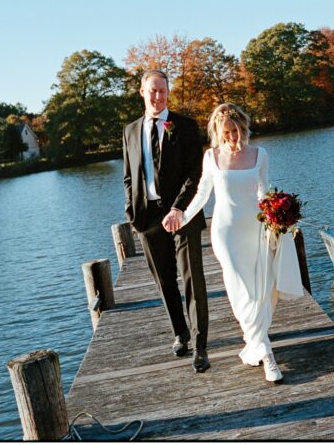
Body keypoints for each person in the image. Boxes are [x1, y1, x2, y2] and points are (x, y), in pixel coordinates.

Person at [163, 103, 303, 383]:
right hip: (226, 233)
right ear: (218, 132)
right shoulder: (211, 157)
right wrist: (181, 216)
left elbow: (263, 193)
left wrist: (279, 213)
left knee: (262, 290)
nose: (233, 138)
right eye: (227, 133)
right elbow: (202, 194)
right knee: (242, 292)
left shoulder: (259, 155)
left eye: (237, 131)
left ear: (244, 128)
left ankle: (255, 344)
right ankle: (267, 356)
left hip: (256, 230)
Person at [122, 69, 210, 373]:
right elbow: (129, 176)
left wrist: (179, 209)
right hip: (148, 217)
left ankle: (200, 345)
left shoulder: (185, 126)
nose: (158, 97)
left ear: (168, 93)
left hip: (183, 214)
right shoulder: (130, 131)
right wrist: (132, 214)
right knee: (164, 280)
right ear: (142, 92)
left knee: (192, 279)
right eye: (152, 91)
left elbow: (195, 174)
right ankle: (180, 333)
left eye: (163, 91)